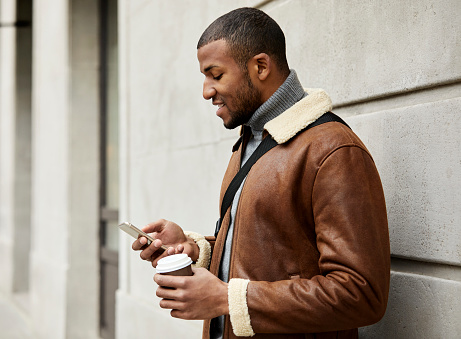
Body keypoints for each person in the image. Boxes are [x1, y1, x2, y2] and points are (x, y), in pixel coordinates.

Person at [132, 7, 390, 339]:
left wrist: (227, 299)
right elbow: (269, 253)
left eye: (216, 74)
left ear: (260, 66)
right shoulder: (249, 141)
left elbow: (361, 294)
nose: (206, 91)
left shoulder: (333, 151)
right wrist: (194, 250)